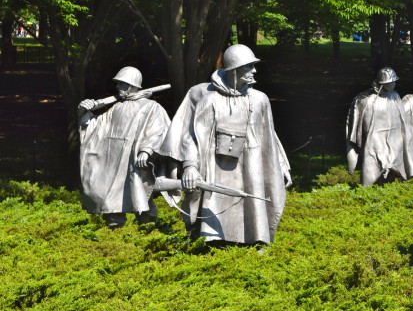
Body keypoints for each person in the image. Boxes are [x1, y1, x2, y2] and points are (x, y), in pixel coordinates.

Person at [159, 44, 291, 245]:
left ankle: (257, 240)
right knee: (216, 204)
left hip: (252, 163)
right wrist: (190, 166)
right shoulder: (210, 100)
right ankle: (215, 241)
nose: (254, 71)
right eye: (249, 67)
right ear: (234, 70)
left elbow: (269, 136)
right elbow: (193, 136)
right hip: (216, 165)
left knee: (254, 202)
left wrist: (281, 164)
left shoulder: (260, 99)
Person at [78, 67, 171, 228]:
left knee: (139, 191)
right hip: (113, 158)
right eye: (118, 84)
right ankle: (114, 223)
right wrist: (83, 111)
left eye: (122, 84)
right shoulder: (116, 107)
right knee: (111, 195)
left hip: (133, 158)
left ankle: (146, 223)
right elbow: (95, 128)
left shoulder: (151, 106)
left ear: (132, 85)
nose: (118, 88)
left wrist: (146, 150)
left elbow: (159, 130)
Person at [345, 67, 413, 186]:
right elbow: (360, 124)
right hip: (374, 141)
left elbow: (402, 120)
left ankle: (390, 184)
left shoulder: (395, 96)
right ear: (383, 82)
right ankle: (373, 186)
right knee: (375, 164)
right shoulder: (367, 100)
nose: (395, 83)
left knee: (393, 163)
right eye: (392, 81)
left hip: (394, 138)